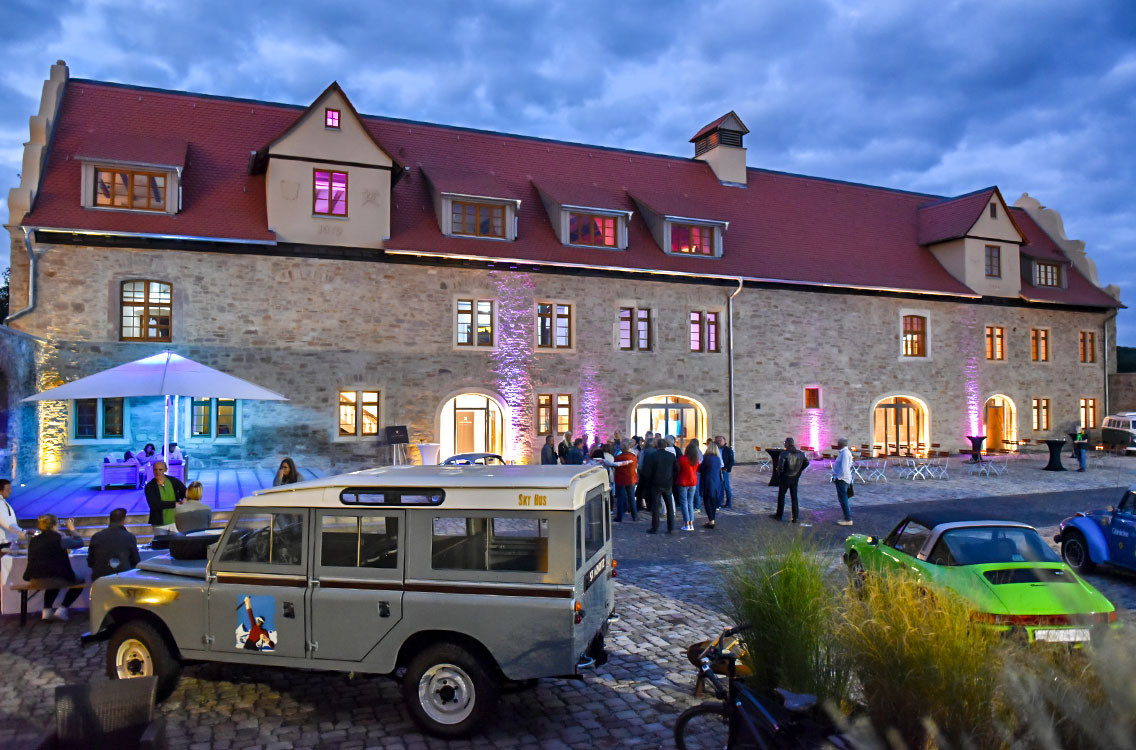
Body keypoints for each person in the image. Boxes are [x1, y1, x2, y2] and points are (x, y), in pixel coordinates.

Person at [24, 514, 84, 621]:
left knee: (52, 577)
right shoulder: (59, 539)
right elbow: (80, 543)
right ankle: (62, 609)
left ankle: (46, 611)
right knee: (80, 581)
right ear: (55, 525)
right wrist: (72, 529)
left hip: (35, 578)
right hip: (56, 577)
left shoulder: (34, 540)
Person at [639, 437, 679, 534]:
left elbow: (647, 471)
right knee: (669, 506)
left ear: (657, 446)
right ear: (665, 446)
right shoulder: (671, 456)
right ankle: (671, 527)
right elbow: (677, 469)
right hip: (667, 483)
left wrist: (650, 480)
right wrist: (671, 477)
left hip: (655, 483)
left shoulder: (653, 456)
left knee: (655, 506)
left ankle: (655, 527)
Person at [88, 508, 140, 580]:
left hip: (99, 579)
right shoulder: (129, 537)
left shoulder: (96, 536)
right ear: (123, 521)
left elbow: (90, 562)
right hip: (123, 578)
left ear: (110, 520)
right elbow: (136, 561)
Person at [773, 437, 809, 523]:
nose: (784, 444)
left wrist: (780, 474)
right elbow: (806, 462)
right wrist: (799, 471)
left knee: (781, 496)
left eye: (785, 443)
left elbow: (780, 467)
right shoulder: (800, 453)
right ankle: (795, 516)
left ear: (787, 443)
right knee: (794, 497)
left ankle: (779, 515)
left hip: (785, 477)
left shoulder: (784, 453)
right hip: (795, 477)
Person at [145, 460, 186, 536]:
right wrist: (174, 504)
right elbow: (154, 505)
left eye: (160, 470)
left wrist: (184, 498)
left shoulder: (173, 481)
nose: (157, 472)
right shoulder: (150, 486)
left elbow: (185, 491)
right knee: (162, 543)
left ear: (165, 470)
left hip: (175, 521)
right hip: (159, 524)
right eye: (155, 470)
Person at [699, 441, 725, 529]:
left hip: (707, 482)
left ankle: (711, 521)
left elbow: (700, 469)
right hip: (716, 482)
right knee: (713, 502)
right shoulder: (718, 459)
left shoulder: (707, 458)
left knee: (707, 501)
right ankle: (712, 519)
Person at [676, 440, 700, 531]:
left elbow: (678, 470)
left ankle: (686, 523)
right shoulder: (696, 460)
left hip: (683, 481)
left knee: (684, 503)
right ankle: (691, 522)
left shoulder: (682, 459)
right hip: (693, 482)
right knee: (690, 502)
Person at [613, 440, 639, 522]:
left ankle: (619, 516)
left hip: (621, 480)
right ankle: (635, 516)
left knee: (620, 498)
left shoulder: (619, 457)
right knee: (632, 498)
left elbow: (615, 466)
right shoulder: (633, 457)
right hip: (631, 479)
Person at [832, 437, 854, 526]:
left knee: (843, 499)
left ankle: (848, 518)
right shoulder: (845, 452)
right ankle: (847, 517)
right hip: (843, 478)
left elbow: (844, 468)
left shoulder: (844, 453)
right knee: (843, 499)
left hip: (842, 479)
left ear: (840, 444)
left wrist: (838, 477)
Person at [1, 478, 25, 548]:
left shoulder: (3, 502)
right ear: (1, 491)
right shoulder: (0, 504)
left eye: (10, 489)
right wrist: (23, 531)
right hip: (3, 543)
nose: (10, 492)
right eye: (7, 490)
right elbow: (7, 523)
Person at [715, 436, 736, 508]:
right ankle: (719, 502)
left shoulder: (728, 450)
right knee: (719, 486)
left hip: (724, 470)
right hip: (717, 470)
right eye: (717, 440)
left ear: (724, 441)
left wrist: (726, 468)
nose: (718, 442)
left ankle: (729, 502)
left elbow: (732, 461)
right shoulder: (715, 449)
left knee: (726, 486)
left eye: (720, 440)